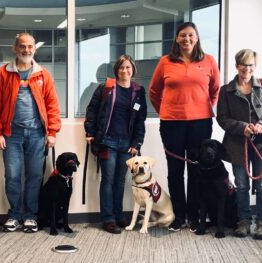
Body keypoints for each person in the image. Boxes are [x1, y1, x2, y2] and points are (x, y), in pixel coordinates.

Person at [0, 32, 61, 233]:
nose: (26, 50)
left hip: (37, 135)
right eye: (22, 46)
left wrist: (52, 131)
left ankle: (30, 216)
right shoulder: (3, 73)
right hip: (11, 135)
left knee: (35, 176)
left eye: (30, 46)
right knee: (12, 175)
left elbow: (52, 105)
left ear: (34, 49)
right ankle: (14, 215)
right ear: (15, 48)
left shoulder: (43, 74)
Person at [149, 22, 220, 232]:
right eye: (182, 35)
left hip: (200, 123)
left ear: (196, 38)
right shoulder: (165, 62)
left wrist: (203, 108)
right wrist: (166, 111)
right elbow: (154, 91)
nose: (186, 39)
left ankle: (194, 215)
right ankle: (179, 215)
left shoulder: (209, 61)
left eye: (190, 35)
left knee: (197, 169)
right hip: (172, 124)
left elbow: (215, 90)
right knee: (175, 170)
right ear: (177, 39)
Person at [84, 54, 147, 234]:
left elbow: (140, 120)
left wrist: (137, 142)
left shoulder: (138, 91)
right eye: (121, 67)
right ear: (116, 71)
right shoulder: (107, 88)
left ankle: (119, 216)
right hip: (108, 142)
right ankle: (108, 218)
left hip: (127, 144)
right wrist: (89, 131)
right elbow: (92, 110)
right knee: (108, 180)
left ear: (132, 70)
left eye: (128, 67)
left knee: (120, 181)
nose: (124, 71)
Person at [217, 49, 262, 239]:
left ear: (255, 66)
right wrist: (242, 127)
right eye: (243, 64)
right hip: (237, 145)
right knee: (241, 184)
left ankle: (260, 222)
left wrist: (260, 125)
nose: (247, 68)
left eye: (250, 64)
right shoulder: (226, 90)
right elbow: (222, 118)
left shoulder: (261, 86)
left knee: (261, 185)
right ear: (237, 66)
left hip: (260, 144)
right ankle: (243, 221)